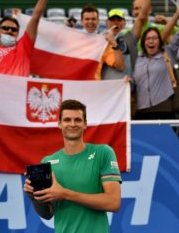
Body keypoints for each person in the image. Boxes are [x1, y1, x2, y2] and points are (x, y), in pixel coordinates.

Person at [23, 99, 121, 233]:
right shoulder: (48, 162)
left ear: (85, 124)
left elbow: (113, 202)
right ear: (59, 124)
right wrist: (33, 197)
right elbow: (48, 214)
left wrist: (65, 194)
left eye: (78, 120)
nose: (72, 124)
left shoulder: (103, 153)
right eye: (67, 120)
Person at [131, 0, 179, 120]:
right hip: (141, 114)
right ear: (143, 42)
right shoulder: (137, 59)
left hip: (165, 112)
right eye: (148, 39)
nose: (151, 41)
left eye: (154, 38)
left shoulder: (168, 53)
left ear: (160, 41)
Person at [80, 4, 125, 80]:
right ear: (81, 21)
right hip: (74, 86)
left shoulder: (103, 42)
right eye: (87, 19)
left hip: (94, 88)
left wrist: (114, 43)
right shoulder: (72, 39)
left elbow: (120, 66)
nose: (90, 22)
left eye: (93, 19)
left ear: (98, 21)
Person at [101, 9, 137, 80]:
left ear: (125, 23)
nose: (116, 23)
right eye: (112, 20)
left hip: (125, 85)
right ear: (106, 22)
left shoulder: (130, 37)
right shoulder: (101, 39)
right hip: (107, 85)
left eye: (119, 20)